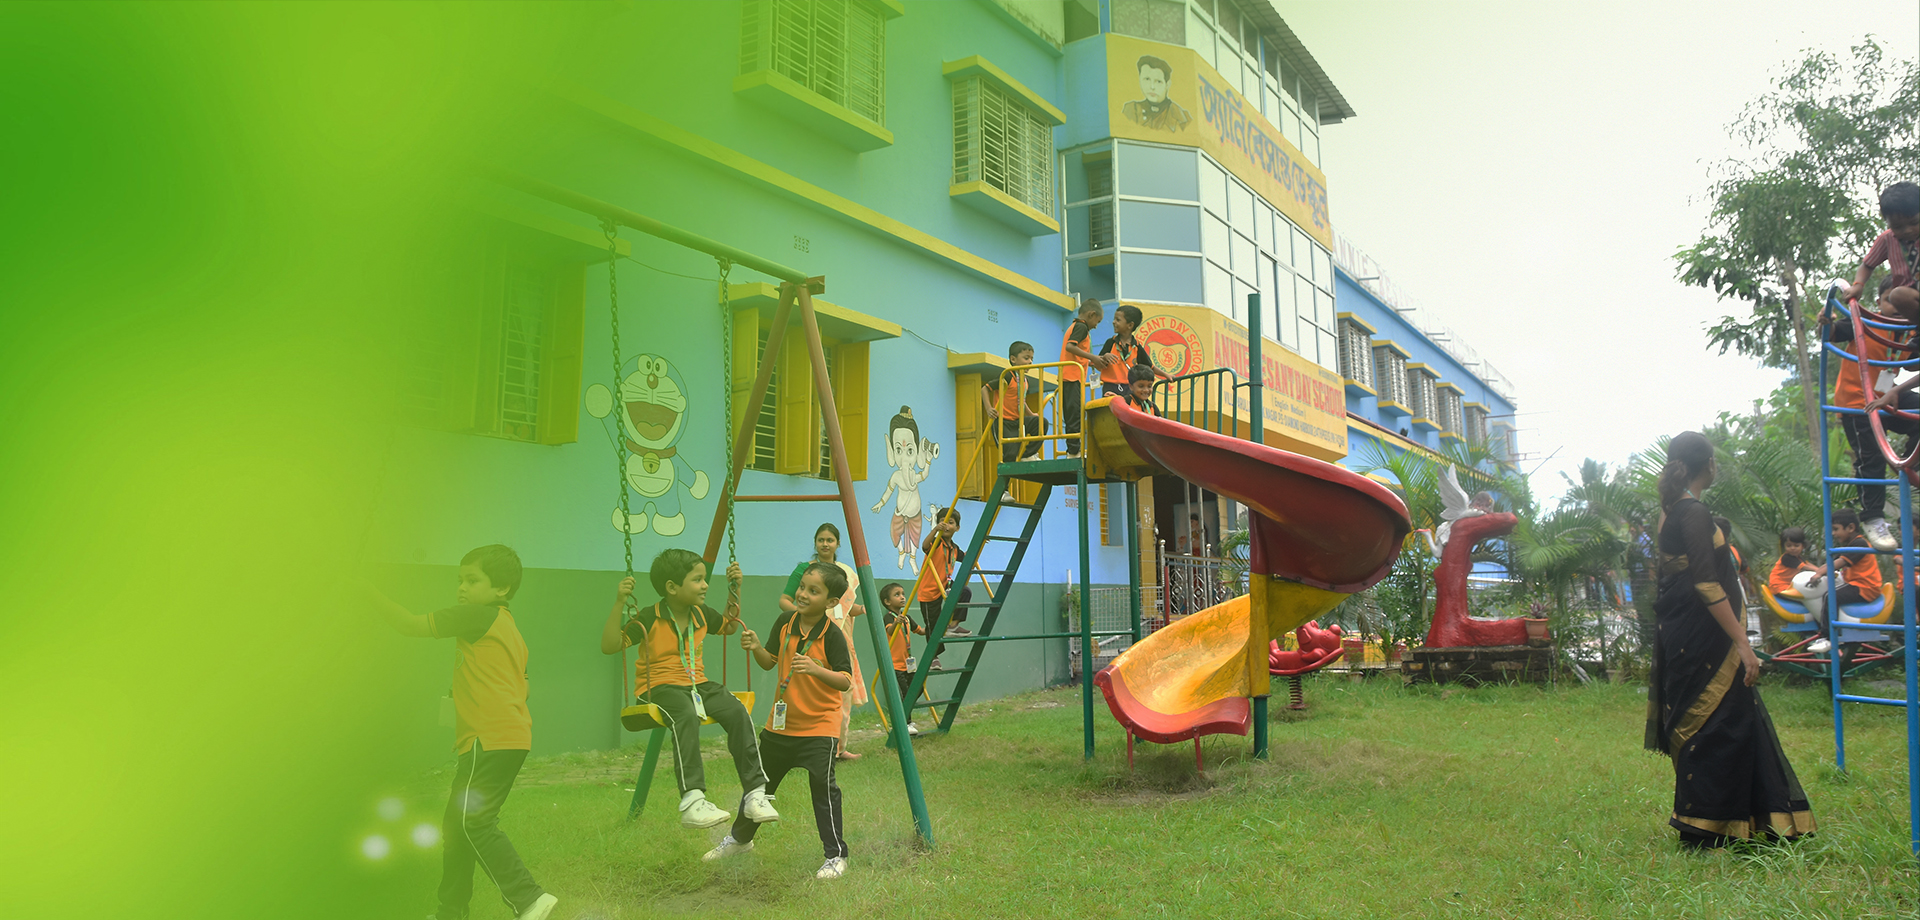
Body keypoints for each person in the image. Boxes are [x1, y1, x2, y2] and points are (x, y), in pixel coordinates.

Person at [361, 545, 559, 920]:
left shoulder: (475, 616)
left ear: (501, 588)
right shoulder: (508, 627)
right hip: (507, 738)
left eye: (472, 580)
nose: (462, 588)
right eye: (460, 580)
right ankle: (450, 912)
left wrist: (365, 591)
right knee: (456, 827)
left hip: (489, 738)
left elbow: (410, 624)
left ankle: (530, 899)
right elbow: (525, 686)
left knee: (473, 822)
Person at [1645, 431, 1814, 849]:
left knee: (1726, 718)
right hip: (1707, 635)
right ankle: (1709, 824)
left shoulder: (1671, 509)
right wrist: (1742, 642)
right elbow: (1705, 583)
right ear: (1709, 465)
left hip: (1685, 632)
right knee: (1719, 722)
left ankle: (1742, 819)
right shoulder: (1692, 511)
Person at [600, 549, 775, 829]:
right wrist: (620, 602)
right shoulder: (649, 617)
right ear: (672, 587)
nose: (705, 585)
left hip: (696, 684)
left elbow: (729, 627)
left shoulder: (701, 613)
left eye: (704, 579)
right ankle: (693, 801)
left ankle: (755, 793)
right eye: (697, 580)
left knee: (736, 709)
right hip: (658, 687)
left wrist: (736, 588)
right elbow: (610, 646)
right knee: (685, 713)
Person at [710, 563, 855, 879]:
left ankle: (836, 855)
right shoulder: (785, 622)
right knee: (759, 788)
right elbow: (769, 662)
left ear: (830, 602)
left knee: (823, 789)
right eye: (802, 587)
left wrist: (816, 669)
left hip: (819, 727)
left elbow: (846, 681)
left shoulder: (832, 635)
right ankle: (740, 840)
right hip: (781, 725)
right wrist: (756, 647)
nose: (802, 594)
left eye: (813, 591)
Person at [1823, 285, 1920, 550]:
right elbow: (1832, 333)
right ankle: (1872, 518)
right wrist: (1826, 322)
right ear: (1878, 302)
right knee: (1871, 457)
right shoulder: (1864, 321)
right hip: (1858, 402)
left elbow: (1912, 363)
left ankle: (1909, 464)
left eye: (1905, 303)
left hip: (1887, 396)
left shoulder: (1911, 331)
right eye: (1890, 301)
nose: (1898, 308)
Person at [779, 523, 867, 762]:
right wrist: (805, 617)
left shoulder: (846, 574)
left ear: (838, 544)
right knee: (806, 689)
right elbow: (785, 600)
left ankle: (839, 747)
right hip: (809, 637)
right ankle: (802, 745)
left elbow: (845, 609)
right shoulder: (805, 570)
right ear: (815, 543)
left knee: (842, 690)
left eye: (830, 540)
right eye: (821, 540)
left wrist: (863, 609)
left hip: (839, 639)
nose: (825, 544)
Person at [869, 406, 938, 572]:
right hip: (900, 513)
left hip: (915, 514)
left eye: (910, 450)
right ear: (892, 451)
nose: (905, 456)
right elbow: (889, 491)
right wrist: (881, 503)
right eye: (899, 449)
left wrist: (928, 461)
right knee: (895, 533)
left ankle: (912, 559)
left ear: (917, 452)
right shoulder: (896, 476)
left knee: (915, 539)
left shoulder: (913, 475)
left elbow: (923, 475)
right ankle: (901, 552)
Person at [1816, 508, 1884, 654]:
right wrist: (1817, 571)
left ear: (1851, 528)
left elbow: (1838, 563)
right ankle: (1830, 630)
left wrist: (1819, 574)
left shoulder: (1859, 544)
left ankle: (1827, 637)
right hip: (1857, 584)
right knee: (1829, 591)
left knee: (1830, 596)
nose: (1833, 533)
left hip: (1865, 587)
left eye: (1836, 529)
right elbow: (1832, 562)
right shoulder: (1850, 545)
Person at [1840, 181, 1920, 303]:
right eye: (1898, 227)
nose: (1907, 230)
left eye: (1914, 223)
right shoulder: (1887, 239)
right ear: (1888, 223)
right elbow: (1867, 265)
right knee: (1897, 295)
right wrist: (1858, 285)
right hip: (1910, 296)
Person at [1059, 298, 1109, 455]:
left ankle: (1073, 449)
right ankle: (1074, 451)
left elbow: (1077, 352)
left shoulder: (1076, 326)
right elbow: (1070, 347)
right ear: (1091, 314)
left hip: (1071, 376)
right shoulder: (1081, 327)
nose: (1096, 325)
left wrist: (1092, 361)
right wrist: (1093, 357)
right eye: (1097, 321)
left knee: (1073, 414)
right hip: (1072, 376)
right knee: (1074, 415)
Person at [984, 341, 1048, 463]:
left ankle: (1028, 454)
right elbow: (985, 389)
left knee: (1041, 422)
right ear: (1013, 359)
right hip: (1003, 422)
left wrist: (1031, 414)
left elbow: (1021, 401)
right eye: (1026, 358)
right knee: (1010, 454)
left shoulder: (1025, 380)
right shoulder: (1007, 376)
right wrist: (988, 408)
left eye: (1031, 359)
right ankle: (1007, 474)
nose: (1030, 362)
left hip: (1017, 421)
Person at [878, 583, 925, 736]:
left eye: (903, 594)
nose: (902, 597)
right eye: (897, 595)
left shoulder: (907, 618)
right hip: (895, 665)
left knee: (918, 688)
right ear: (887, 602)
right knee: (904, 694)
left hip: (908, 665)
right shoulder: (889, 617)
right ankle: (905, 723)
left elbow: (920, 631)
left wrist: (934, 628)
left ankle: (905, 717)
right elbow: (890, 631)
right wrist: (896, 622)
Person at [919, 506, 971, 636]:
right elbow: (925, 546)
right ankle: (934, 650)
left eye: (950, 522)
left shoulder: (954, 548)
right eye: (942, 521)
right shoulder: (936, 542)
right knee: (933, 627)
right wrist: (935, 530)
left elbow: (966, 558)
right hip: (929, 590)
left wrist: (979, 544)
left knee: (965, 591)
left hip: (944, 585)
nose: (946, 525)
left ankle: (954, 625)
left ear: (957, 528)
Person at [1097, 305, 1162, 398]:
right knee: (1112, 407)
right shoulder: (1110, 343)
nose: (1113, 322)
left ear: (1130, 325)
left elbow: (1150, 367)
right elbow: (1098, 364)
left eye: (1118, 320)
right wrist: (1104, 357)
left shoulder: (1137, 346)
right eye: (1114, 319)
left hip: (1130, 388)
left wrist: (1167, 375)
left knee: (1129, 407)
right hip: (1110, 387)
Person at [1768, 526, 1825, 631]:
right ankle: (1822, 628)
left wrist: (1821, 570)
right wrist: (1821, 571)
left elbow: (1808, 565)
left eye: (1796, 545)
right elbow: (1805, 567)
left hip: (1788, 587)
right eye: (1789, 545)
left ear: (1803, 546)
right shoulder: (1787, 558)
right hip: (1780, 588)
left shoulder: (1798, 558)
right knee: (1811, 601)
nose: (1792, 548)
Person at [1120, 54, 1193, 133]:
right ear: (1140, 79)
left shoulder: (1182, 118)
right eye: (1147, 79)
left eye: (1158, 81)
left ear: (1167, 85)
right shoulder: (1131, 110)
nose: (1152, 87)